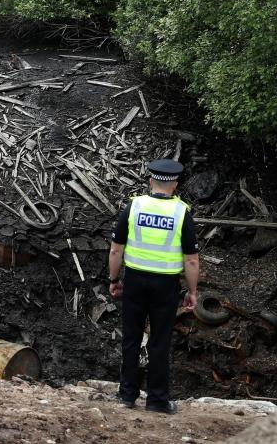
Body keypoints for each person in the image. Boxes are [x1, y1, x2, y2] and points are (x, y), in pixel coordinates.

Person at [107, 158, 200, 415]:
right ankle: (157, 400)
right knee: (160, 341)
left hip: (135, 281)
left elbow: (116, 250)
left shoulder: (134, 206)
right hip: (165, 285)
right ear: (175, 185)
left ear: (150, 181)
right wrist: (192, 292)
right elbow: (191, 259)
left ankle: (127, 395)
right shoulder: (182, 212)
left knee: (131, 338)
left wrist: (114, 280)